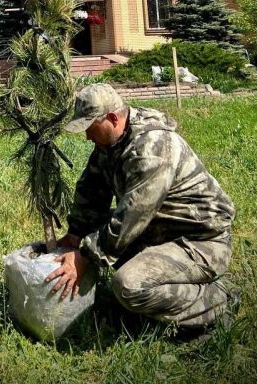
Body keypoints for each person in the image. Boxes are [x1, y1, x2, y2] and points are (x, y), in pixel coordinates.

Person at [46, 83, 236, 334]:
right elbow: (92, 189)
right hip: (161, 231)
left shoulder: (153, 149)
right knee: (101, 241)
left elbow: (133, 215)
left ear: (113, 119)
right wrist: (75, 235)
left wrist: (85, 256)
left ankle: (217, 301)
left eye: (91, 128)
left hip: (200, 240)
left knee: (129, 285)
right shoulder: (111, 143)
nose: (88, 137)